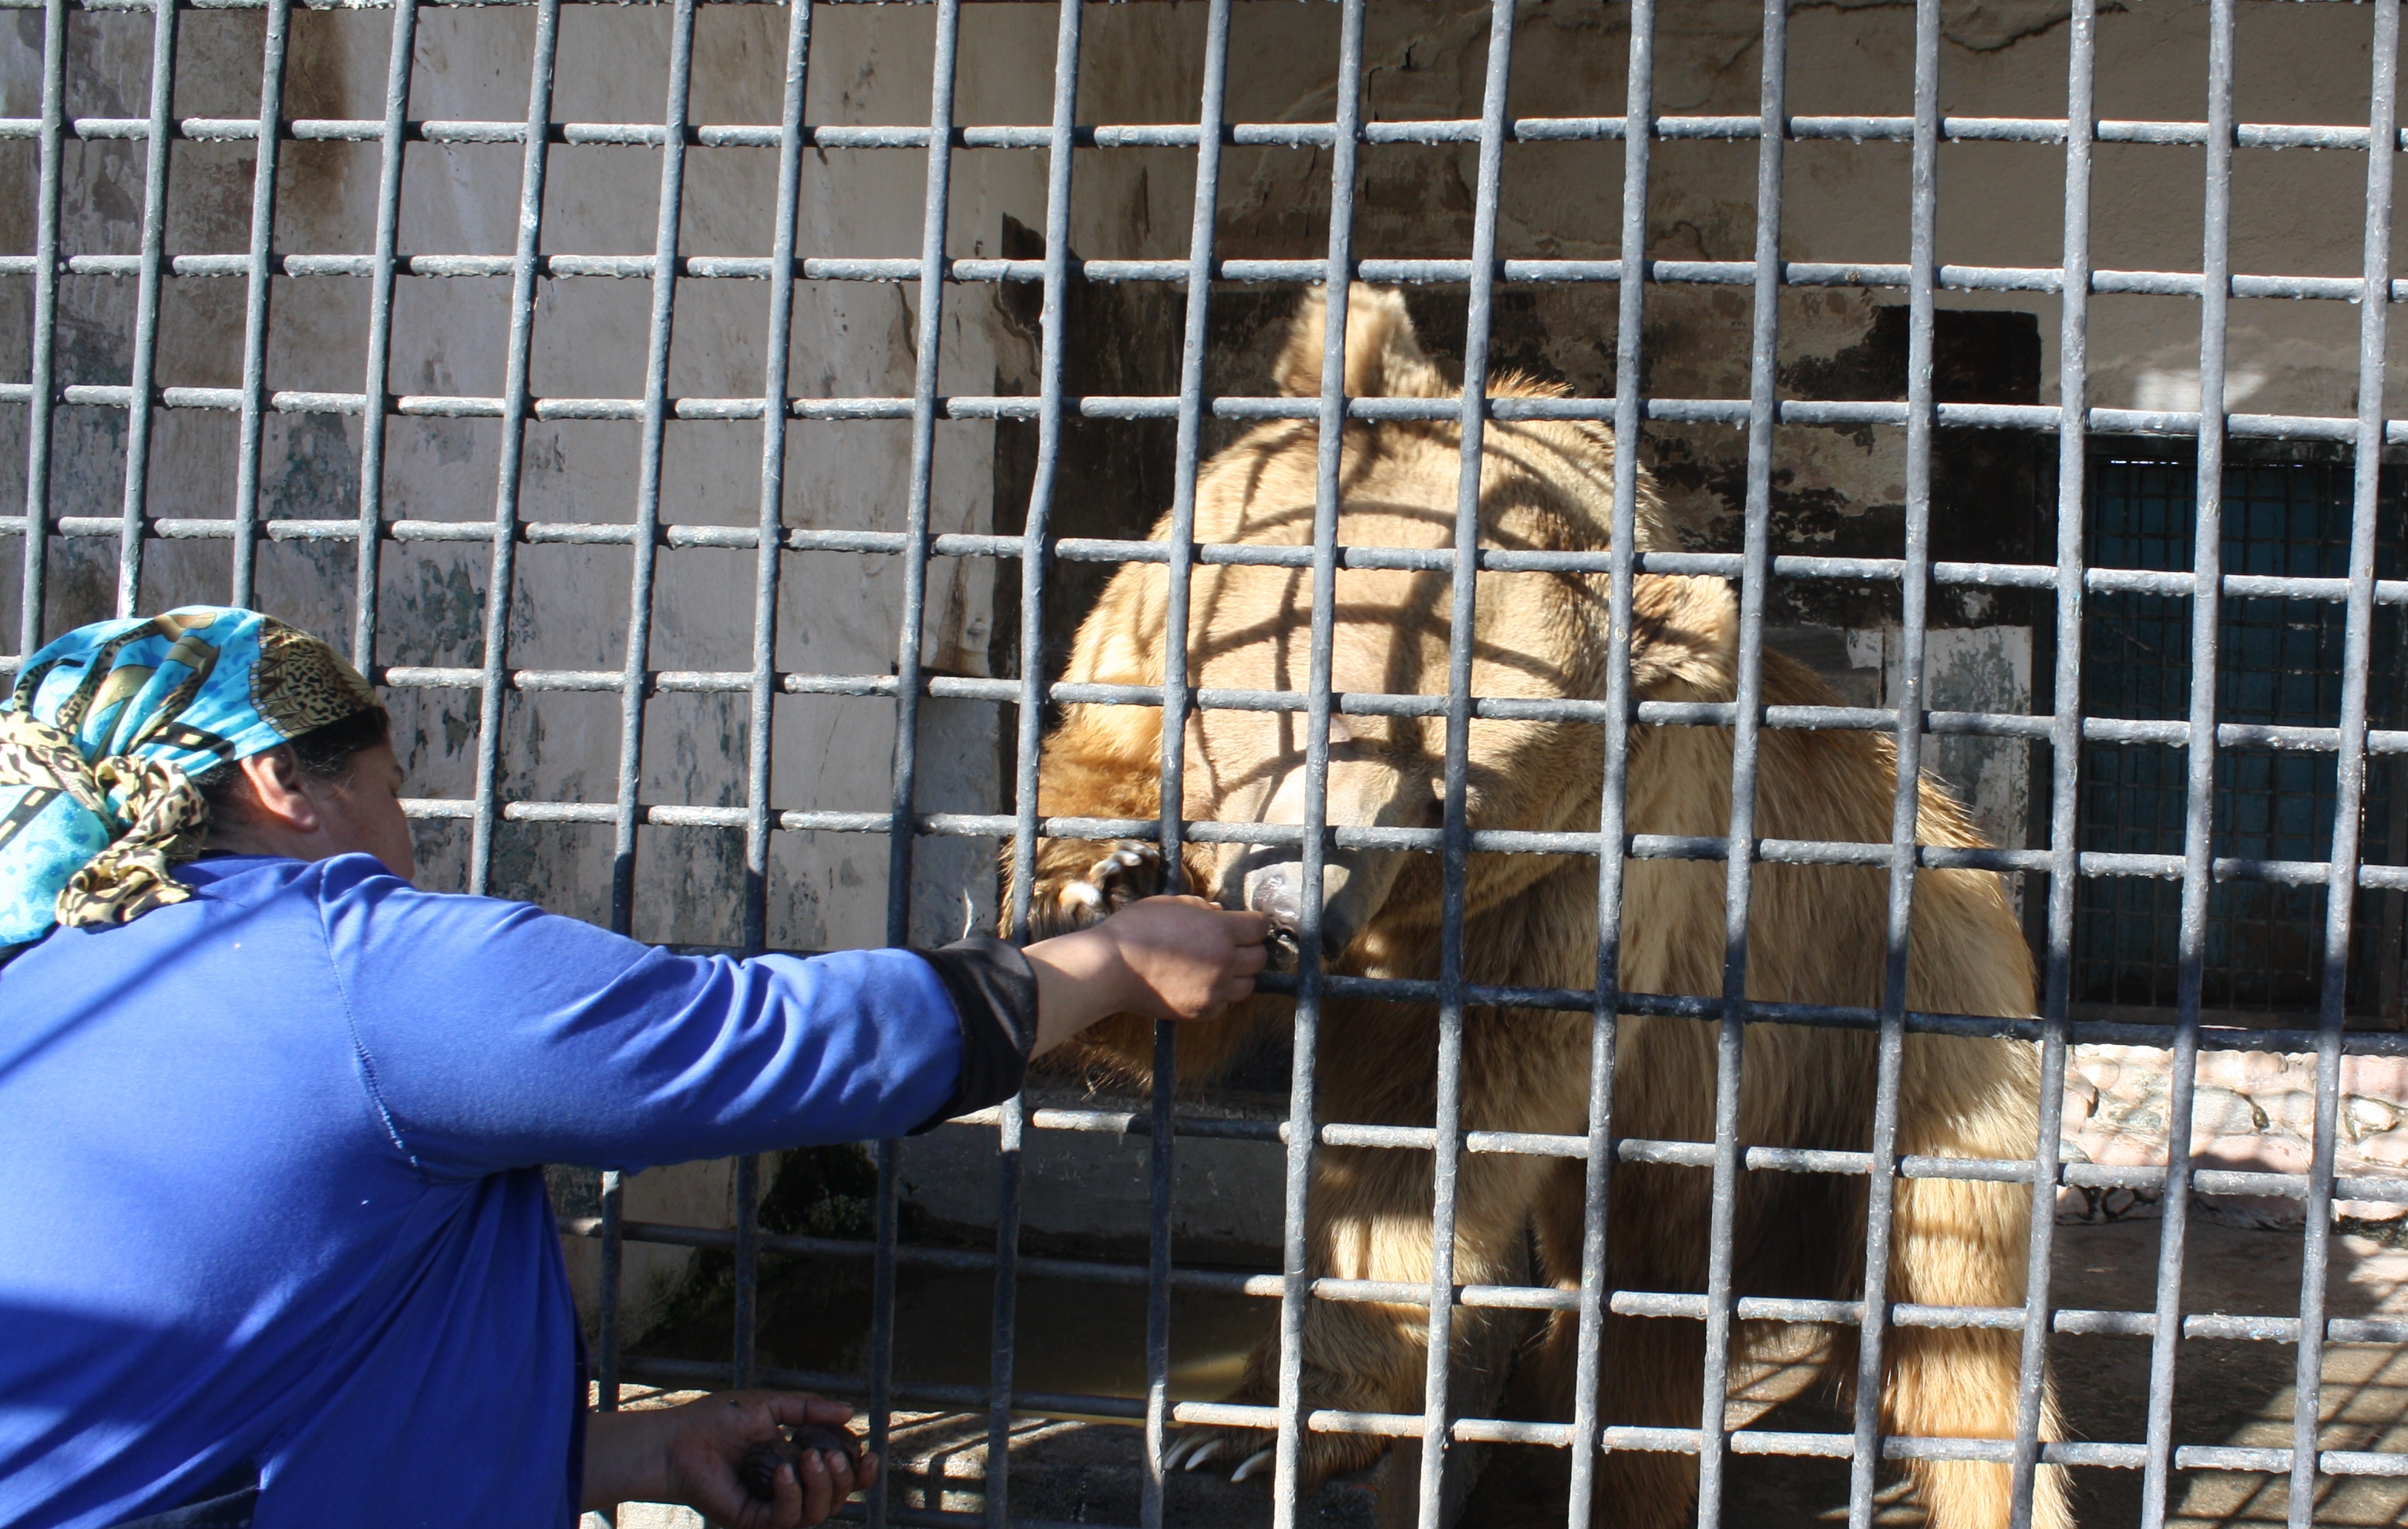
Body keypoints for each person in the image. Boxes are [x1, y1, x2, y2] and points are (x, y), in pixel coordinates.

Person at [0, 607, 1270, 1529]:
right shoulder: (342, 961)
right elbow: (749, 1042)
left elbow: (254, 1384)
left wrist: (627, 1458)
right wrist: (1104, 966)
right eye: (389, 789)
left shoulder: (38, 991)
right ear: (284, 783)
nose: (405, 837)